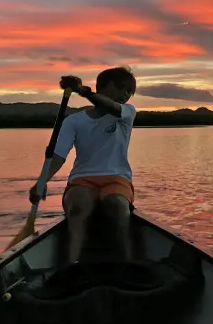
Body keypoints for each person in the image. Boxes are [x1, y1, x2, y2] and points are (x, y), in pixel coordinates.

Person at [29, 66, 137, 264]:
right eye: (121, 87)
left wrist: (82, 91)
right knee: (78, 207)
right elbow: (59, 155)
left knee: (117, 205)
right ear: (103, 87)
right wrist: (41, 181)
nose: (126, 94)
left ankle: (127, 262)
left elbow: (110, 106)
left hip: (117, 178)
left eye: (130, 91)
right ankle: (72, 265)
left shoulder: (126, 113)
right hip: (82, 179)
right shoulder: (74, 121)